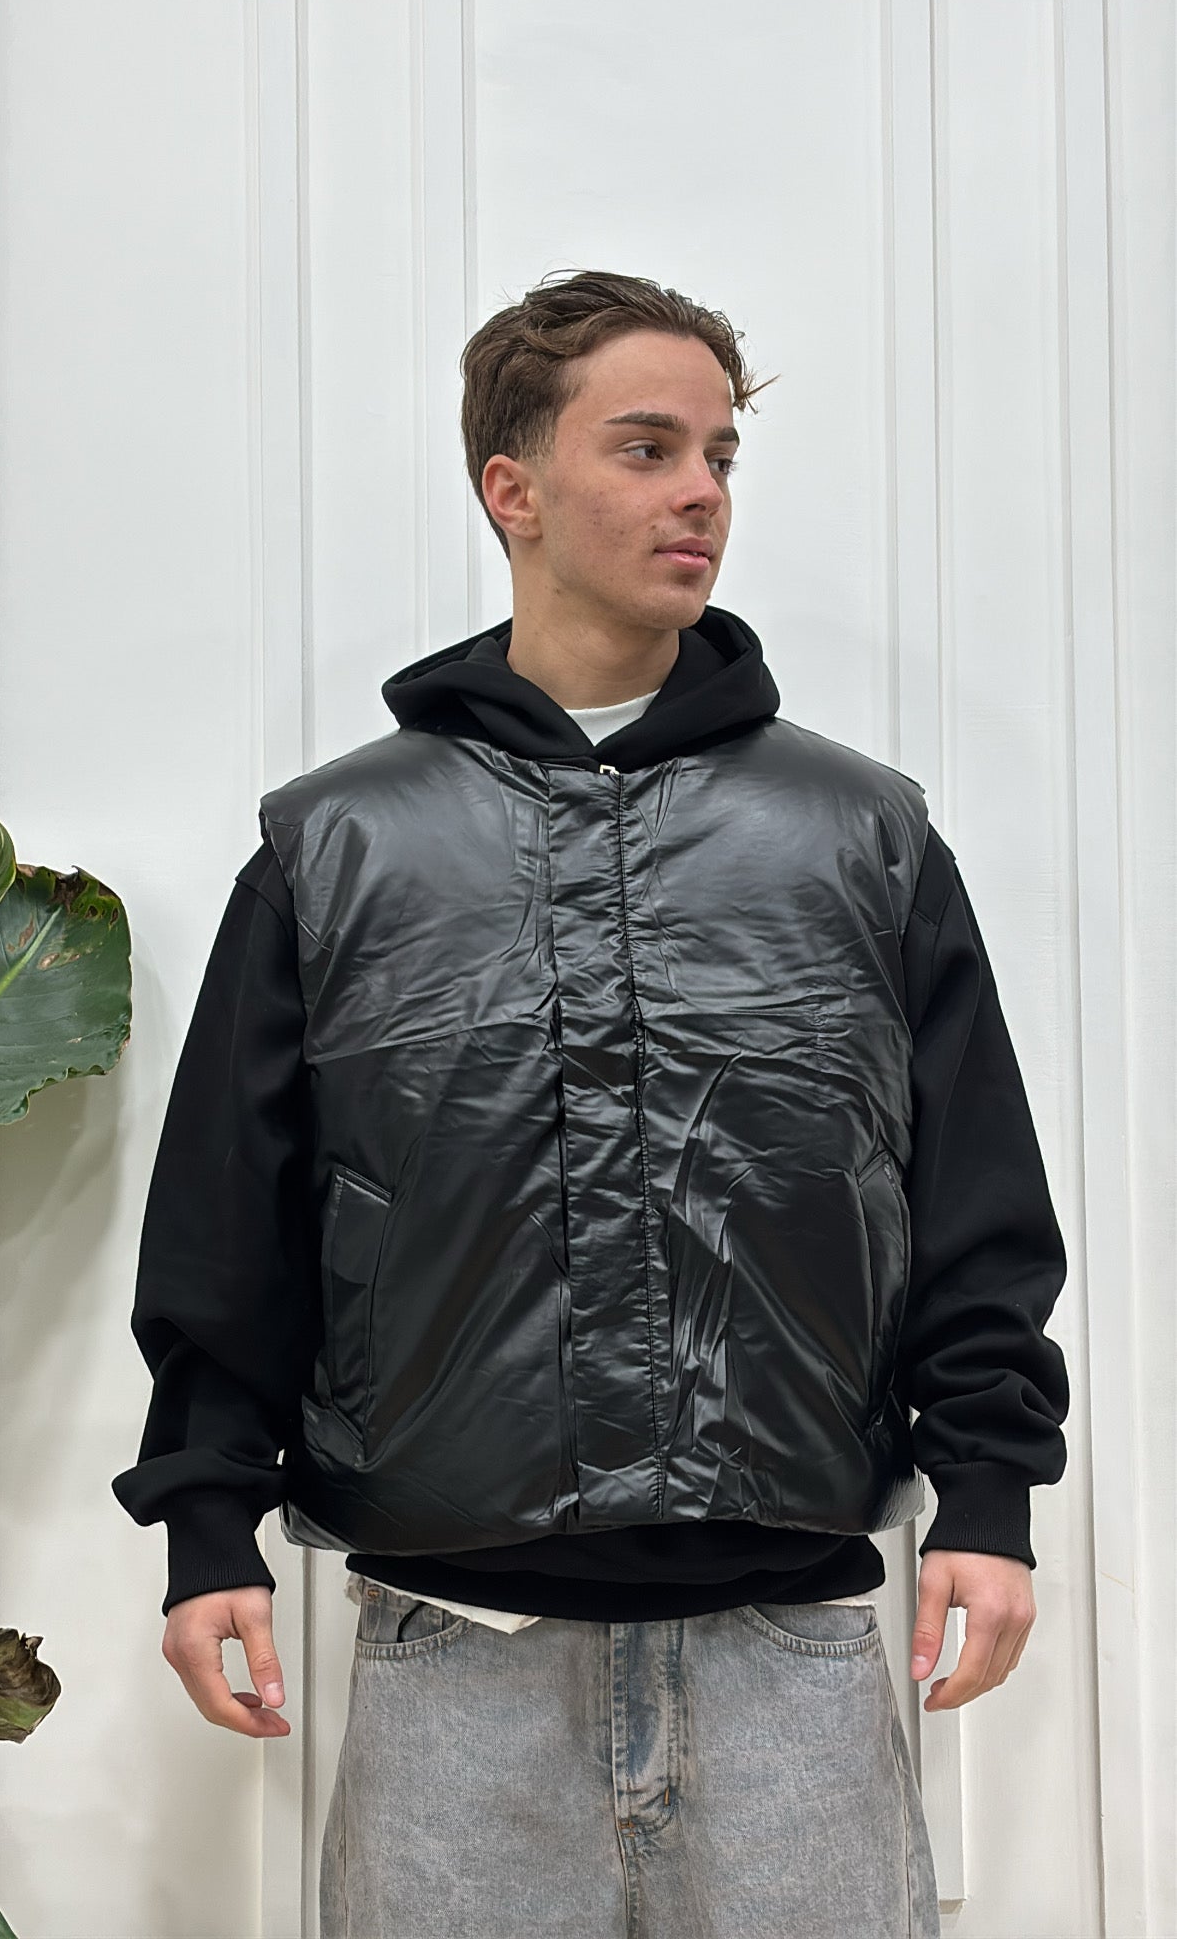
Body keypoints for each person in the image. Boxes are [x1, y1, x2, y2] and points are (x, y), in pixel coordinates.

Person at [112, 269, 1070, 1939]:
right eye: (647, 448)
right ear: (515, 488)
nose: (701, 491)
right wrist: (207, 1526)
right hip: (451, 1662)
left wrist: (988, 1495)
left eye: (719, 455)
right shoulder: (340, 846)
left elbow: (972, 1198)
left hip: (793, 1654)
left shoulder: (860, 835)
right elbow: (230, 1220)